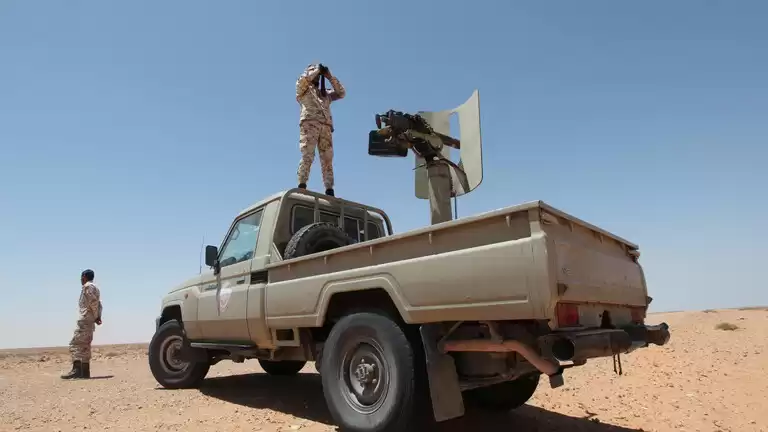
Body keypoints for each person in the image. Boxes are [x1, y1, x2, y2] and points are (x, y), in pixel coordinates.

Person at [295, 63, 346, 197]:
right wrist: (317, 69)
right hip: (310, 125)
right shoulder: (303, 88)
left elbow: (341, 93)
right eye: (315, 73)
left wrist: (329, 76)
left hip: (325, 128)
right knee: (308, 155)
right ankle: (302, 184)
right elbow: (304, 79)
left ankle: (329, 189)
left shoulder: (325, 93)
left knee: (327, 159)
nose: (317, 76)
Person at [61, 269, 103, 380]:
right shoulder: (96, 288)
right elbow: (99, 304)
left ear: (84, 276)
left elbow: (93, 302)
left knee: (75, 344)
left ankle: (76, 371)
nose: (80, 279)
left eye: (81, 277)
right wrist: (98, 316)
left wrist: (95, 316)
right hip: (90, 320)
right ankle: (85, 371)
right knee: (85, 345)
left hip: (85, 319)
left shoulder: (87, 287)